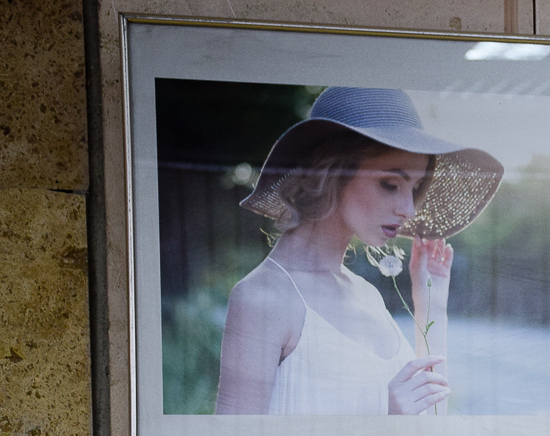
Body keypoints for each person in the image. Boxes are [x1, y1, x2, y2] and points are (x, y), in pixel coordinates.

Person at [215, 87, 503, 415]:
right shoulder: (262, 298)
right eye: (390, 185)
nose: (409, 209)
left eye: (414, 189)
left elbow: (431, 423)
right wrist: (386, 425)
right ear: (331, 171)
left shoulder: (366, 295)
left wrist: (431, 306)